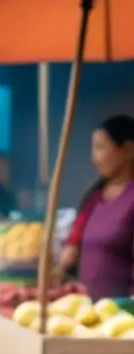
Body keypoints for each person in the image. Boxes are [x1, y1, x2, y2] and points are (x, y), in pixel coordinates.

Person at [59, 115, 134, 299]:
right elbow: (76, 235)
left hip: (122, 316)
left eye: (101, 148)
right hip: (89, 311)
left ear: (128, 150)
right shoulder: (94, 197)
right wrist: (71, 248)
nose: (94, 158)